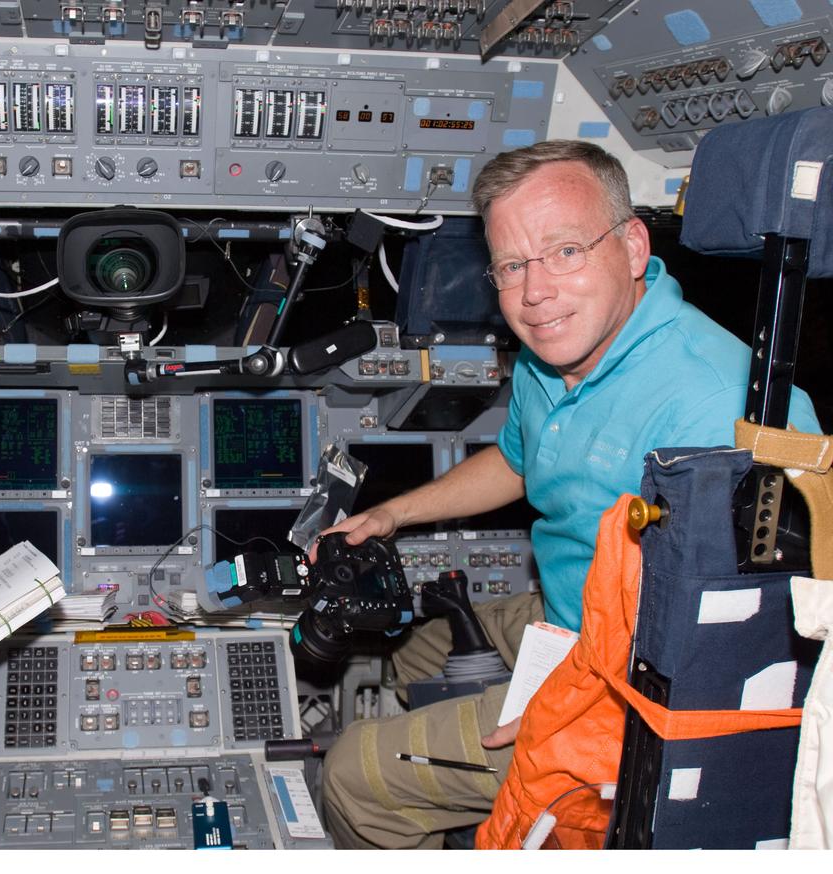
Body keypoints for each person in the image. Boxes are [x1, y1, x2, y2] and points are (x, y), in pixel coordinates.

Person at [319, 139, 822, 849]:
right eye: (512, 265)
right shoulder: (553, 355)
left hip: (639, 686)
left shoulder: (715, 410)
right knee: (417, 645)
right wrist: (393, 511)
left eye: (565, 252)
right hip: (573, 615)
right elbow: (520, 462)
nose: (535, 293)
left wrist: (571, 713)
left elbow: (743, 646)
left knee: (349, 773)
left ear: (634, 245)